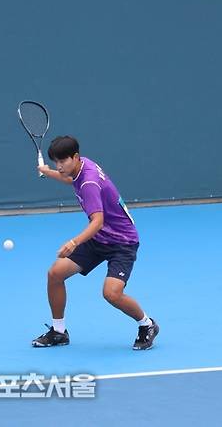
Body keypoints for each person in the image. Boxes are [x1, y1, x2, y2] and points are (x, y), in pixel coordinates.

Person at [32, 135, 159, 350]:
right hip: (99, 238)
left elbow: (97, 221)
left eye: (63, 161)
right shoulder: (82, 165)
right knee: (55, 274)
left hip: (122, 242)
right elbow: (70, 179)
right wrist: (48, 172)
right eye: (56, 162)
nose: (60, 166)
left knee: (111, 293)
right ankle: (59, 332)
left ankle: (147, 325)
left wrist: (74, 242)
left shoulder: (89, 182)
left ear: (75, 157)